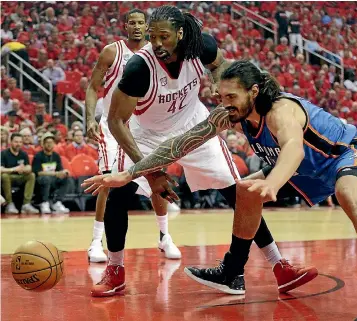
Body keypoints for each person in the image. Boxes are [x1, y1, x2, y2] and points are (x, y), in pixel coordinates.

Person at [84, 61, 357, 321]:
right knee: (245, 189)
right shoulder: (232, 114)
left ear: (254, 91)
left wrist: (272, 183)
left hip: (346, 153)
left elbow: (294, 151)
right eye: (220, 97)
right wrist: (129, 172)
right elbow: (178, 146)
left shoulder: (281, 111)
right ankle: (233, 271)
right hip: (304, 171)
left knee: (348, 193)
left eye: (231, 97)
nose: (224, 104)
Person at [86, 7, 317, 297]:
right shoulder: (139, 68)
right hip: (147, 135)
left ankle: (280, 266)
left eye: (164, 36)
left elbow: (222, 67)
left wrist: (224, 94)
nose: (157, 43)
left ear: (180, 34)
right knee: (119, 193)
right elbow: (116, 121)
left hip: (194, 123)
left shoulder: (202, 46)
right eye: (152, 36)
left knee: (240, 192)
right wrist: (153, 172)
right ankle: (115, 270)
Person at [85, 9, 147, 263]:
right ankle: (95, 241)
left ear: (147, 26)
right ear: (125, 26)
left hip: (142, 127)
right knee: (109, 179)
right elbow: (92, 87)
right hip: (112, 127)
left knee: (154, 176)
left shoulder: (154, 54)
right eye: (131, 22)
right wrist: (90, 118)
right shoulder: (112, 52)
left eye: (141, 23)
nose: (136, 26)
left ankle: (165, 235)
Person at [32, 132, 70, 214]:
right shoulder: (38, 156)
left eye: (51, 142)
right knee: (46, 179)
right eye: (47, 143)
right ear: (43, 144)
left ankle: (57, 202)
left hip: (53, 180)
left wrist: (64, 172)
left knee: (65, 178)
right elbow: (38, 173)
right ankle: (44, 203)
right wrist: (54, 174)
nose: (49, 145)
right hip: (39, 181)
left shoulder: (56, 156)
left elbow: (59, 170)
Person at [1, 133, 39, 214]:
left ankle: (26, 204)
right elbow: (1, 169)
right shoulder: (3, 153)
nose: (18, 144)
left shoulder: (23, 154)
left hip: (20, 177)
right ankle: (9, 204)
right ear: (10, 142)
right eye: (16, 142)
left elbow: (29, 167)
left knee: (31, 175)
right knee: (4, 176)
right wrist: (14, 169)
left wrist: (25, 168)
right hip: (9, 177)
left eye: (20, 142)